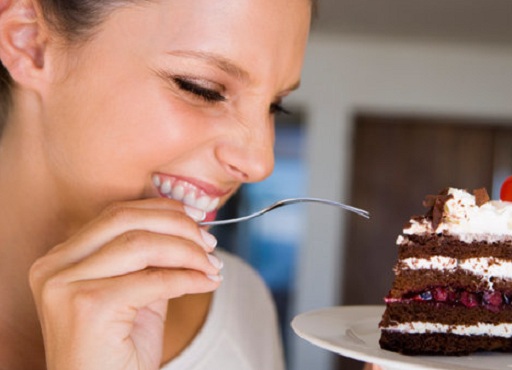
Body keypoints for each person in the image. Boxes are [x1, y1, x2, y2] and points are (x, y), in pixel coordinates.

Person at [0, 0, 312, 369]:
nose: (261, 163)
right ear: (29, 41)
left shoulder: (243, 304)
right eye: (202, 89)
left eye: (276, 106)